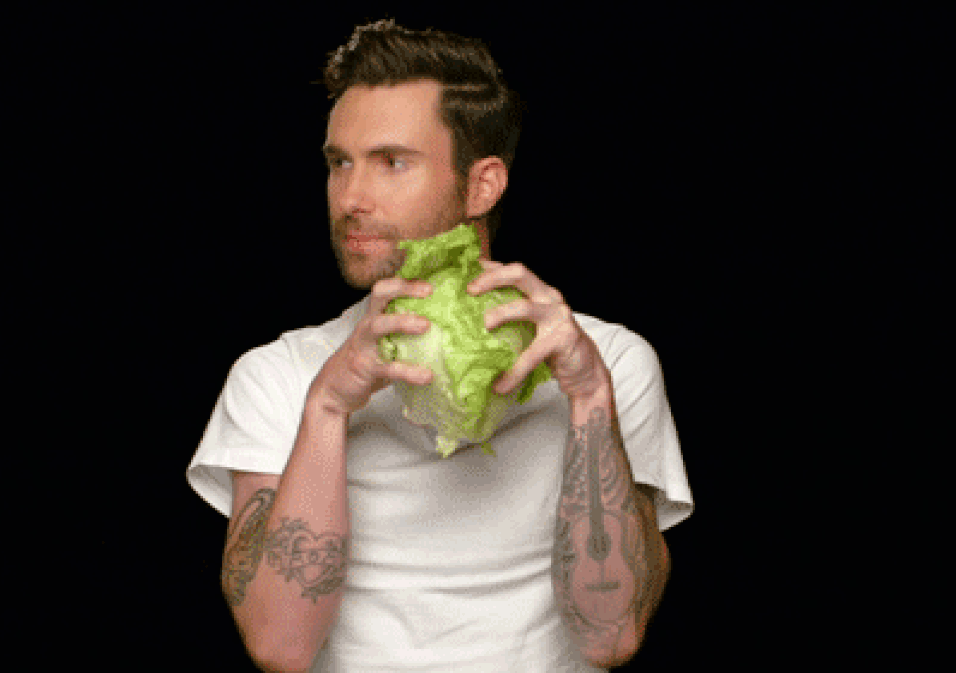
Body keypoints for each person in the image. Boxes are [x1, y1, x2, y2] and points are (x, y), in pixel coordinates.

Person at [187, 19, 693, 673]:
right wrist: (328, 407)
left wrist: (591, 396)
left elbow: (611, 635)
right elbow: (280, 646)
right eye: (340, 163)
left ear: (483, 184)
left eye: (392, 162)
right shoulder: (278, 374)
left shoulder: (611, 362)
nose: (351, 197)